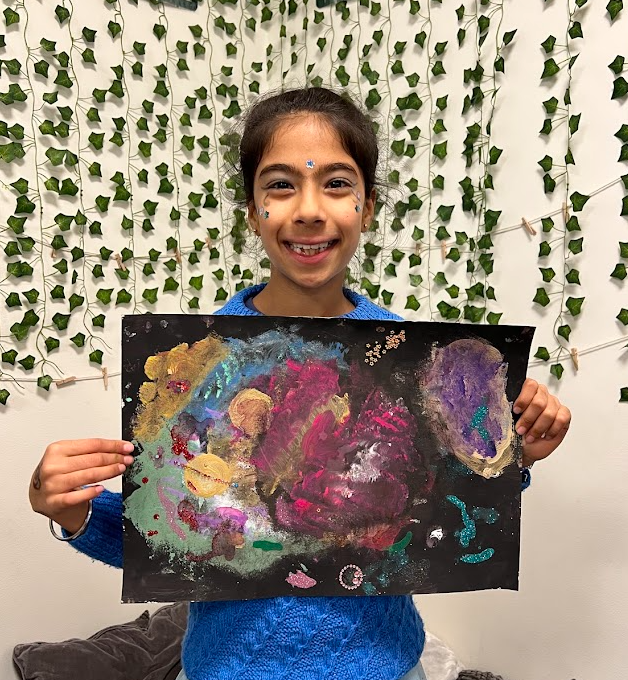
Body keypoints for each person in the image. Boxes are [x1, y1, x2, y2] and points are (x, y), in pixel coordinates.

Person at [29, 87, 571, 680]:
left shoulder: (411, 361)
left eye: (336, 183)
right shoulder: (202, 365)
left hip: (385, 668)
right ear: (252, 211)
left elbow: (436, 513)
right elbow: (169, 545)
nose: (309, 209)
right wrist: (74, 512)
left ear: (367, 207)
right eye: (281, 185)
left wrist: (514, 457)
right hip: (226, 670)